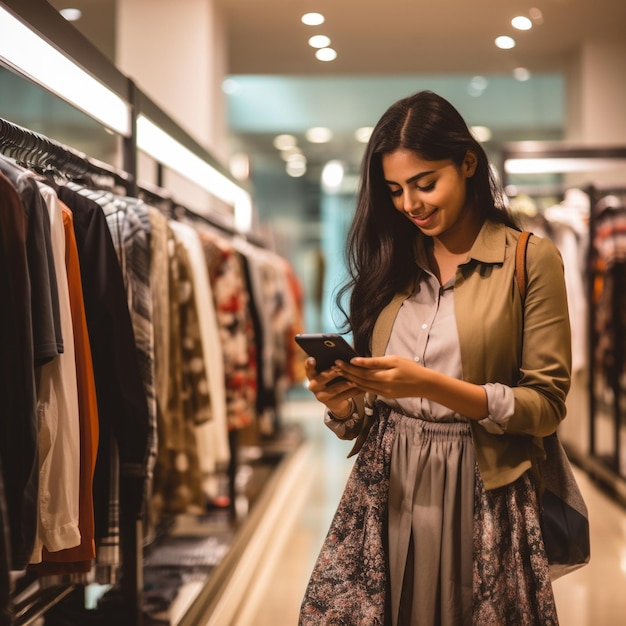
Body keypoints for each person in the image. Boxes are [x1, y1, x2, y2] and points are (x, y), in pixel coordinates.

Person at [298, 90, 571, 626]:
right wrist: (343, 402)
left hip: (482, 485)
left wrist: (428, 384)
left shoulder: (528, 259)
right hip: (385, 487)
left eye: (426, 183)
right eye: (396, 190)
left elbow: (545, 405)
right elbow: (367, 417)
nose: (410, 204)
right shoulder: (392, 264)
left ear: (468, 163)